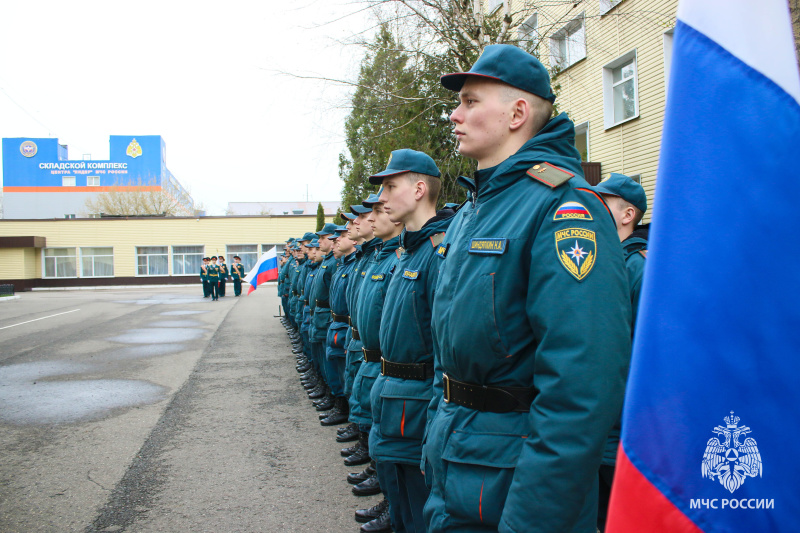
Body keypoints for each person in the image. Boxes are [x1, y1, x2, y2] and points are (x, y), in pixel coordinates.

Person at [423, 44, 632, 533]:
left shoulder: (564, 209)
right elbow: (448, 355)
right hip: (456, 462)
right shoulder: (473, 212)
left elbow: (580, 388)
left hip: (516, 485)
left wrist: (534, 518)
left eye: (471, 101)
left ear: (518, 113)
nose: (455, 114)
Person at [368, 149, 454, 533]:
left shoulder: (439, 254)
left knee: (420, 516)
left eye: (390, 186)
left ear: (420, 189)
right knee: (402, 514)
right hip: (395, 405)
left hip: (417, 413)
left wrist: (435, 428)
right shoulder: (410, 250)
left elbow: (444, 353)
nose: (382, 198)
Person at [592, 172, 648, 531]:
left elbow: (646, 359)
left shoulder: (639, 270)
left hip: (620, 438)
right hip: (591, 434)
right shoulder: (598, 264)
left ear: (628, 215)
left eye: (602, 204)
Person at [349, 190, 403, 533]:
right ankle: (391, 502)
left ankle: (395, 507)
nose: (366, 219)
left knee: (399, 453)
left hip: (400, 371)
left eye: (374, 211)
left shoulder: (400, 256)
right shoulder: (376, 257)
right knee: (381, 439)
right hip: (375, 362)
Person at [321, 224, 358, 427]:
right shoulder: (342, 264)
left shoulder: (352, 264)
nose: (335, 242)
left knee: (349, 377)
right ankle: (338, 403)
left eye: (339, 238)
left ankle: (351, 418)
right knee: (337, 370)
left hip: (347, 327)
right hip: (336, 324)